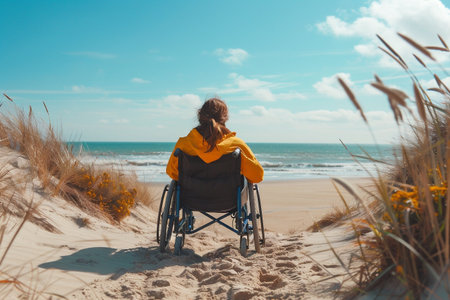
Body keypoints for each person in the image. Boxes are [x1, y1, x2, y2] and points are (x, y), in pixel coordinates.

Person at [166, 97, 264, 183]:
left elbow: (172, 173)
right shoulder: (236, 145)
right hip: (229, 203)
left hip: (190, 202)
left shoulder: (183, 144)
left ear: (200, 116)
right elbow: (257, 176)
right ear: (225, 118)